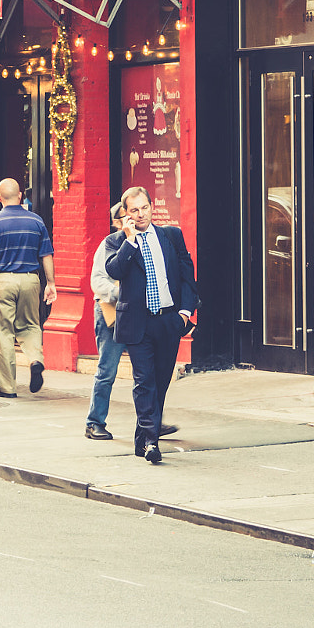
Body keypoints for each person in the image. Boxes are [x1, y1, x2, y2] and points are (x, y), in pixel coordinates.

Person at [105, 185, 199, 465]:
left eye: (144, 207)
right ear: (126, 214)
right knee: (144, 381)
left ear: (151, 206)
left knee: (159, 382)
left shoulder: (171, 235)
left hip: (169, 320)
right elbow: (113, 270)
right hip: (138, 323)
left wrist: (184, 312)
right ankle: (151, 441)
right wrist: (130, 241)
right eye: (134, 210)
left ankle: (142, 437)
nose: (141, 213)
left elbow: (187, 276)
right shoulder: (117, 241)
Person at [0, 178, 57, 399]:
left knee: (3, 333)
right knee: (30, 325)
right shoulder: (37, 221)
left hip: (3, 281)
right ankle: (35, 359)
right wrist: (51, 283)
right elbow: (46, 254)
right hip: (30, 280)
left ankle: (7, 388)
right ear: (20, 196)